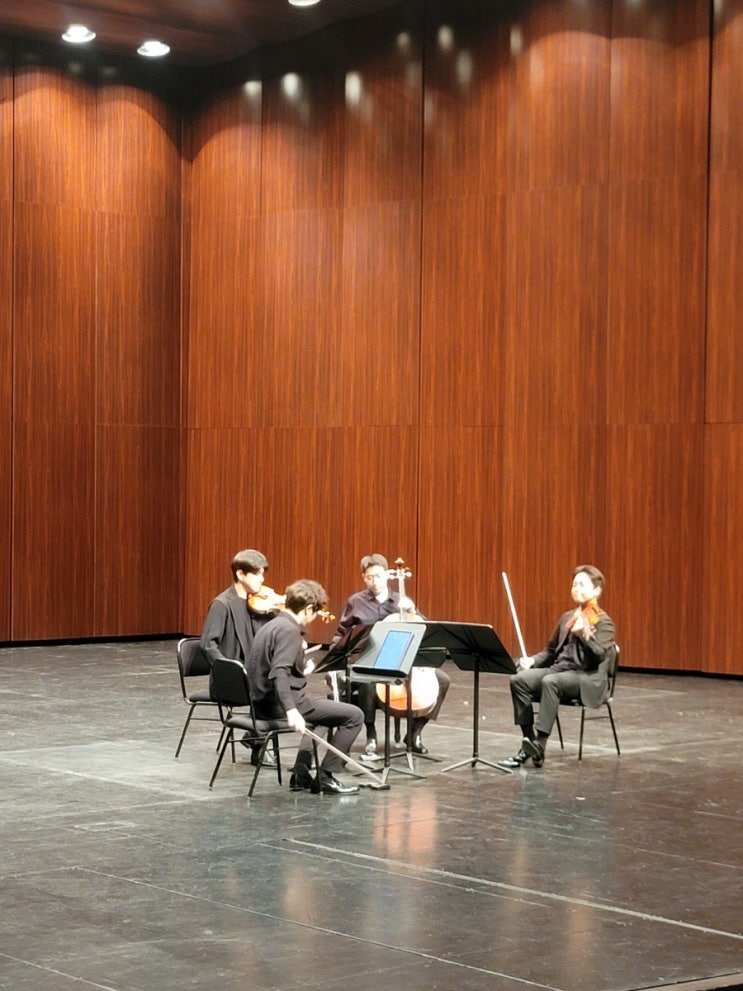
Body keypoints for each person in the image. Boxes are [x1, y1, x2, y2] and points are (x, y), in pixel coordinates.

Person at [247, 579, 364, 796]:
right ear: (309, 608)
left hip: (260, 703)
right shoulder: (290, 631)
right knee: (354, 716)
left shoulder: (272, 625)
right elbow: (279, 671)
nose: (314, 617)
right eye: (315, 612)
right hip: (279, 705)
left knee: (325, 714)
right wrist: (291, 711)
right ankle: (326, 775)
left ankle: (301, 772)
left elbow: (269, 666)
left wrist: (301, 670)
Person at [330, 554, 450, 756]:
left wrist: (413, 610)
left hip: (402, 661)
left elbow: (424, 628)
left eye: (378, 576)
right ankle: (371, 734)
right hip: (369, 661)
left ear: (387, 575)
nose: (374, 581)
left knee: (443, 680)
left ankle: (415, 732)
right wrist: (339, 653)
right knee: (368, 682)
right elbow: (341, 634)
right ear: (364, 577)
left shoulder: (401, 601)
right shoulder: (356, 602)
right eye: (369, 577)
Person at [499, 565, 616, 769]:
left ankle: (540, 745)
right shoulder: (567, 617)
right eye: (574, 584)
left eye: (582, 585)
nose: (576, 588)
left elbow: (598, 655)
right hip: (559, 671)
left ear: (597, 590)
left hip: (585, 677)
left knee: (550, 682)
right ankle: (529, 741)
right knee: (519, 680)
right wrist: (532, 661)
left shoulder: (603, 622)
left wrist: (583, 635)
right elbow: (550, 650)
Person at [200, 548, 281, 768]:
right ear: (240, 574)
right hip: (230, 680)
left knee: (281, 683)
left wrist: (278, 610)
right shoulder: (222, 604)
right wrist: (231, 671)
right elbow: (207, 645)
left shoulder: (258, 604)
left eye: (263, 574)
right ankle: (258, 742)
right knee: (271, 689)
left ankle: (254, 737)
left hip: (253, 674)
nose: (262, 579)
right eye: (258, 574)